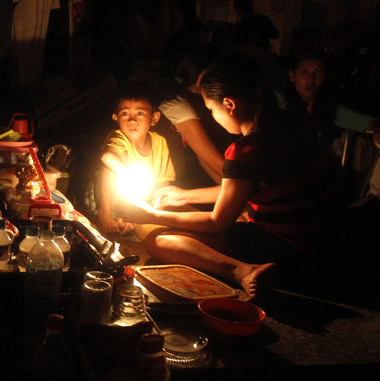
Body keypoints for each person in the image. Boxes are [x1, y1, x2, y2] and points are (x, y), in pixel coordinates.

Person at [116, 53, 342, 299]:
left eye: (211, 109)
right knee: (182, 212)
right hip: (329, 239)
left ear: (230, 105)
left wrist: (149, 215)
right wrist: (184, 196)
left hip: (289, 248)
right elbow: (252, 188)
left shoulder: (246, 150)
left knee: (158, 240)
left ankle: (242, 270)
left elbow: (218, 222)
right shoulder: (293, 125)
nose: (212, 115)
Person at [85, 86, 176, 235]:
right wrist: (131, 177)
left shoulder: (160, 142)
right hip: (102, 199)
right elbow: (107, 157)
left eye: (140, 113)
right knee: (113, 164)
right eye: (125, 113)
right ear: (116, 118)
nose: (132, 120)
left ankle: (127, 217)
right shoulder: (119, 137)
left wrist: (149, 210)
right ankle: (105, 215)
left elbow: (163, 182)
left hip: (135, 200)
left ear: (154, 118)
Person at [159, 45, 234, 187]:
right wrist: (245, 187)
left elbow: (204, 157)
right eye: (213, 73)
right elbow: (214, 162)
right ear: (199, 73)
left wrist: (231, 190)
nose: (218, 79)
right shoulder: (177, 105)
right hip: (158, 178)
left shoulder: (194, 100)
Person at [277, 49, 380, 149]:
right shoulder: (279, 102)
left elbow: (368, 123)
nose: (311, 79)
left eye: (319, 72)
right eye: (305, 72)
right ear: (292, 75)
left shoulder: (329, 106)